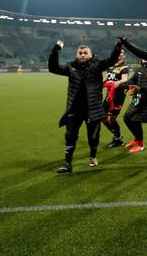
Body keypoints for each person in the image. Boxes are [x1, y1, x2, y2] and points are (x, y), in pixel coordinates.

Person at [48, 40, 123, 173]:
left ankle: (93, 156)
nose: (82, 55)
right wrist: (55, 51)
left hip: (93, 110)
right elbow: (53, 68)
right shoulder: (71, 67)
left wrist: (117, 48)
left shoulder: (98, 65)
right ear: (77, 55)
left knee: (93, 137)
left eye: (85, 53)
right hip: (74, 109)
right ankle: (67, 164)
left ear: (90, 54)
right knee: (70, 136)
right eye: (80, 53)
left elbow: (111, 60)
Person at [122, 59, 147, 153]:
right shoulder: (141, 69)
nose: (143, 59)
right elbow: (131, 81)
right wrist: (118, 85)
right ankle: (137, 139)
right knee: (127, 118)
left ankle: (141, 145)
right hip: (138, 98)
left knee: (133, 118)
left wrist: (140, 88)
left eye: (145, 57)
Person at [102, 50, 130, 148]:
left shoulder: (124, 68)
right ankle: (118, 136)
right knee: (102, 117)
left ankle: (118, 138)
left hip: (118, 97)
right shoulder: (111, 67)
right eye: (118, 52)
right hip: (108, 96)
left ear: (124, 56)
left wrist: (117, 83)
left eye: (122, 53)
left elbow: (124, 79)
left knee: (111, 119)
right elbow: (106, 79)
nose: (119, 54)